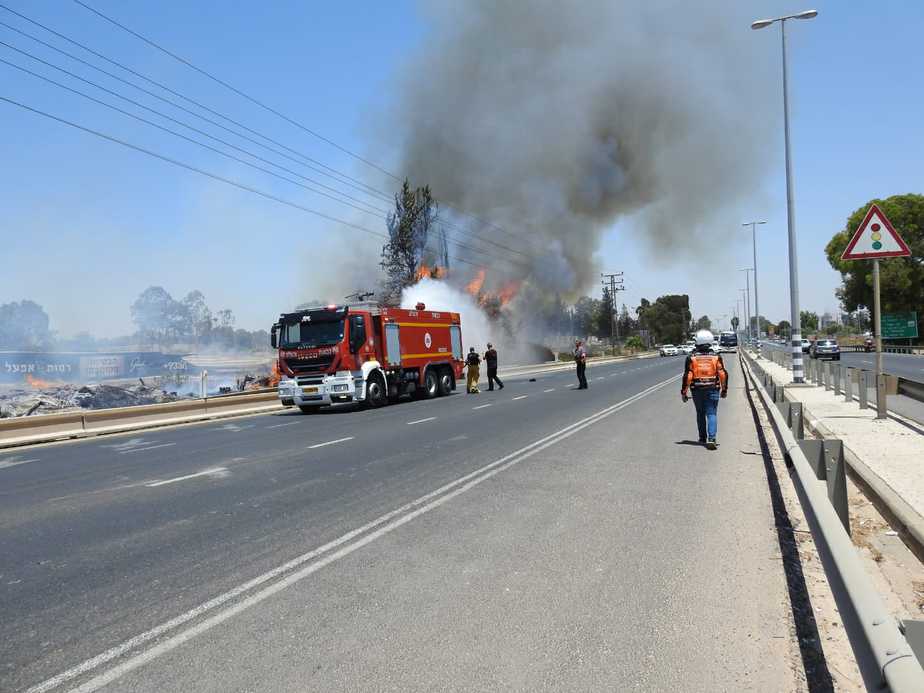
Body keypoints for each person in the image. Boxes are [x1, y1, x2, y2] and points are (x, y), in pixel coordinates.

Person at [681, 329, 728, 449]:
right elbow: (722, 374)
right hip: (713, 389)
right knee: (711, 413)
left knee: (700, 413)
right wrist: (724, 389)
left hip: (697, 391)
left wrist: (684, 392)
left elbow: (688, 376)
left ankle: (702, 437)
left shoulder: (691, 357)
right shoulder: (716, 357)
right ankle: (711, 438)